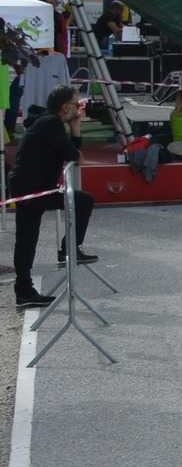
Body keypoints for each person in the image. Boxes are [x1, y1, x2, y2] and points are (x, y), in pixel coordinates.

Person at [10, 86, 94, 306]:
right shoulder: (51, 124)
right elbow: (75, 156)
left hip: (32, 187)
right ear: (65, 107)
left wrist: (75, 126)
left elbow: (72, 155)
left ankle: (25, 289)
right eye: (77, 104)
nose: (79, 108)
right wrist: (75, 128)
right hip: (30, 189)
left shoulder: (48, 122)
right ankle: (68, 250)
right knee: (27, 239)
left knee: (27, 239)